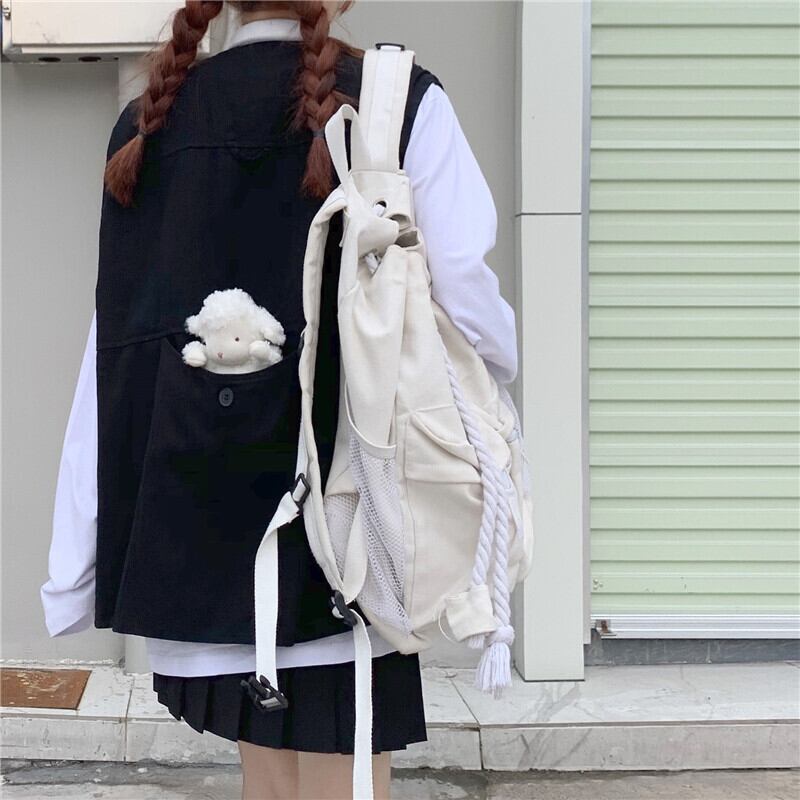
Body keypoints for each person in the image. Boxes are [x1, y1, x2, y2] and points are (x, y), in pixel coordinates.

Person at [40, 2, 517, 798]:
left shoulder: (150, 121)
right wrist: (498, 388)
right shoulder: (395, 102)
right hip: (352, 515)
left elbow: (115, 347)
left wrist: (77, 563)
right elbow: (465, 294)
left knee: (267, 777)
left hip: (205, 529)